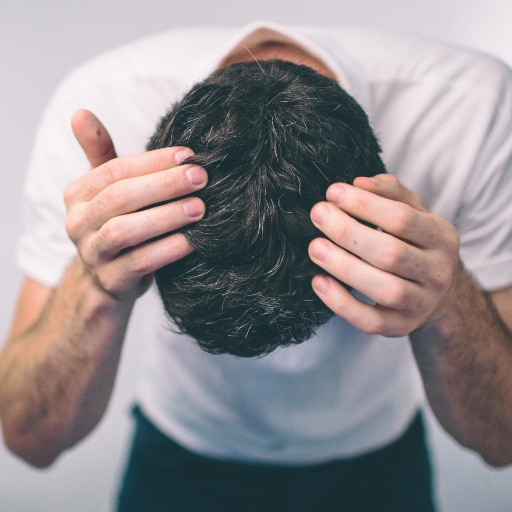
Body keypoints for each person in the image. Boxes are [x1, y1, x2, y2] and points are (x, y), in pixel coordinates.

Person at [1, 21, 512, 511]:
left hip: (377, 460)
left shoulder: (473, 112)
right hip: (180, 457)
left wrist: (448, 301)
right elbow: (29, 437)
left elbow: (502, 442)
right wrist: (95, 282)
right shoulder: (102, 105)